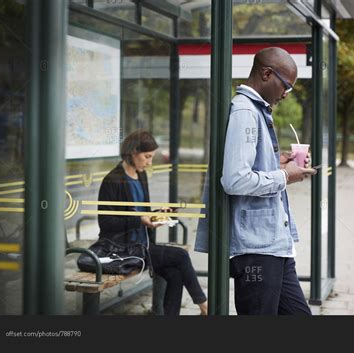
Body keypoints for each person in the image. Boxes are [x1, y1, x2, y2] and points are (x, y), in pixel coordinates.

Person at [195, 47, 316, 315]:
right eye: (286, 86)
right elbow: (235, 180)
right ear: (266, 73)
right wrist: (285, 176)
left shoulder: (257, 110)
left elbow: (249, 169)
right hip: (256, 248)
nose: (286, 94)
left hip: (274, 244)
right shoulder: (245, 112)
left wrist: (278, 164)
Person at [97, 130, 207, 315]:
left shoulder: (141, 176)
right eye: (147, 157)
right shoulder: (112, 180)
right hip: (121, 249)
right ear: (133, 153)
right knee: (180, 255)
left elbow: (142, 215)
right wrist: (140, 219)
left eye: (151, 157)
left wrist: (158, 214)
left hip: (141, 245)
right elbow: (106, 223)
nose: (149, 162)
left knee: (175, 273)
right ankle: (204, 306)